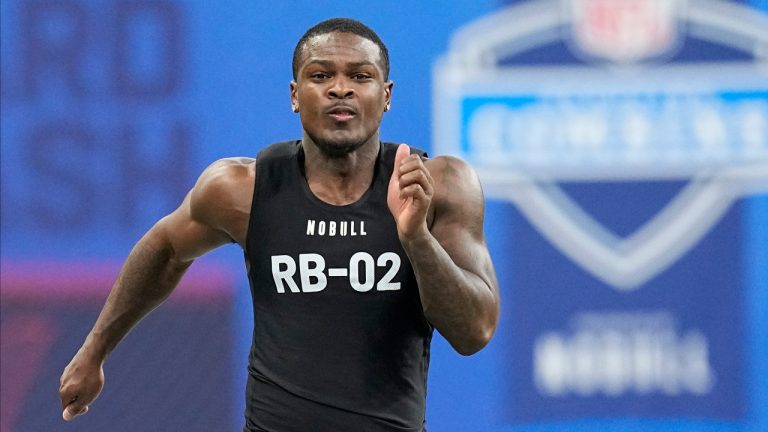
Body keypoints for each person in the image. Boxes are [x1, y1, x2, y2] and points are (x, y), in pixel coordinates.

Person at [58, 17, 500, 432]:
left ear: (386, 95)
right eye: (321, 75)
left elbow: (474, 332)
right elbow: (166, 250)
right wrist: (94, 350)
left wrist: (416, 239)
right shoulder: (241, 189)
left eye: (360, 77)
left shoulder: (439, 185)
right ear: (294, 94)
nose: (339, 90)